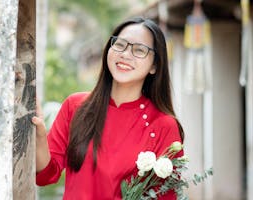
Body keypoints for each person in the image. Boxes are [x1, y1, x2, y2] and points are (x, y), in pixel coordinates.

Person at [33, 16, 184, 200]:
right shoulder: (75, 106)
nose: (126, 54)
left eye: (139, 50)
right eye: (120, 45)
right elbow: (47, 174)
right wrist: (39, 135)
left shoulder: (164, 126)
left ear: (154, 65)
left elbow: (166, 196)